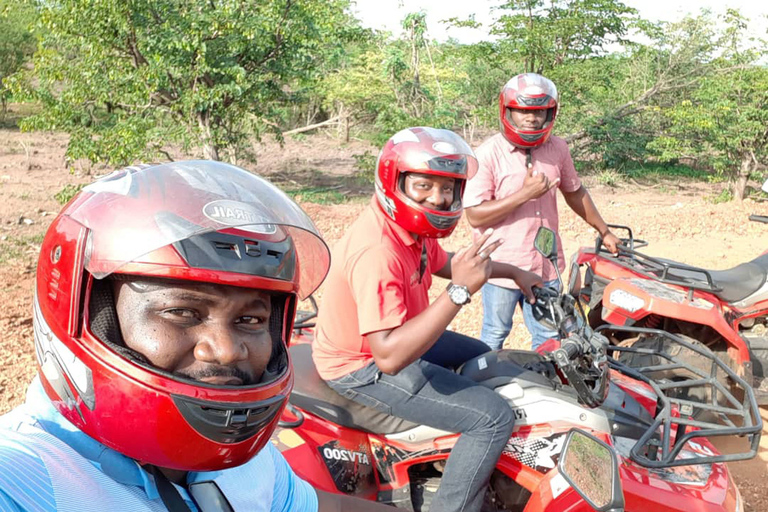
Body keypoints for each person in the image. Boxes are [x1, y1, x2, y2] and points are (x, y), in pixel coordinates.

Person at [0, 161, 391, 511]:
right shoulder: (22, 480)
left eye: (251, 320)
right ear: (87, 312)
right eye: (182, 313)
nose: (225, 351)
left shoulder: (242, 463)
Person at [311, 127, 543, 512]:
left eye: (447, 188)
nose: (438, 198)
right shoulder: (378, 252)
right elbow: (388, 357)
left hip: (397, 333)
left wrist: (512, 272)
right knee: (492, 417)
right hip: (361, 365)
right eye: (423, 186)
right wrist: (460, 293)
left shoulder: (409, 229)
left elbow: (448, 263)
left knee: (483, 354)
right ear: (394, 182)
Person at [463, 73, 620, 351]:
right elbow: (475, 215)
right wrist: (524, 195)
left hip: (544, 263)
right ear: (507, 111)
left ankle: (547, 389)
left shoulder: (557, 148)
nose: (531, 118)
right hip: (502, 265)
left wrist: (604, 230)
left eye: (539, 112)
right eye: (523, 111)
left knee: (548, 339)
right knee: (494, 334)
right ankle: (482, 390)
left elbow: (575, 192)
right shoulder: (487, 154)